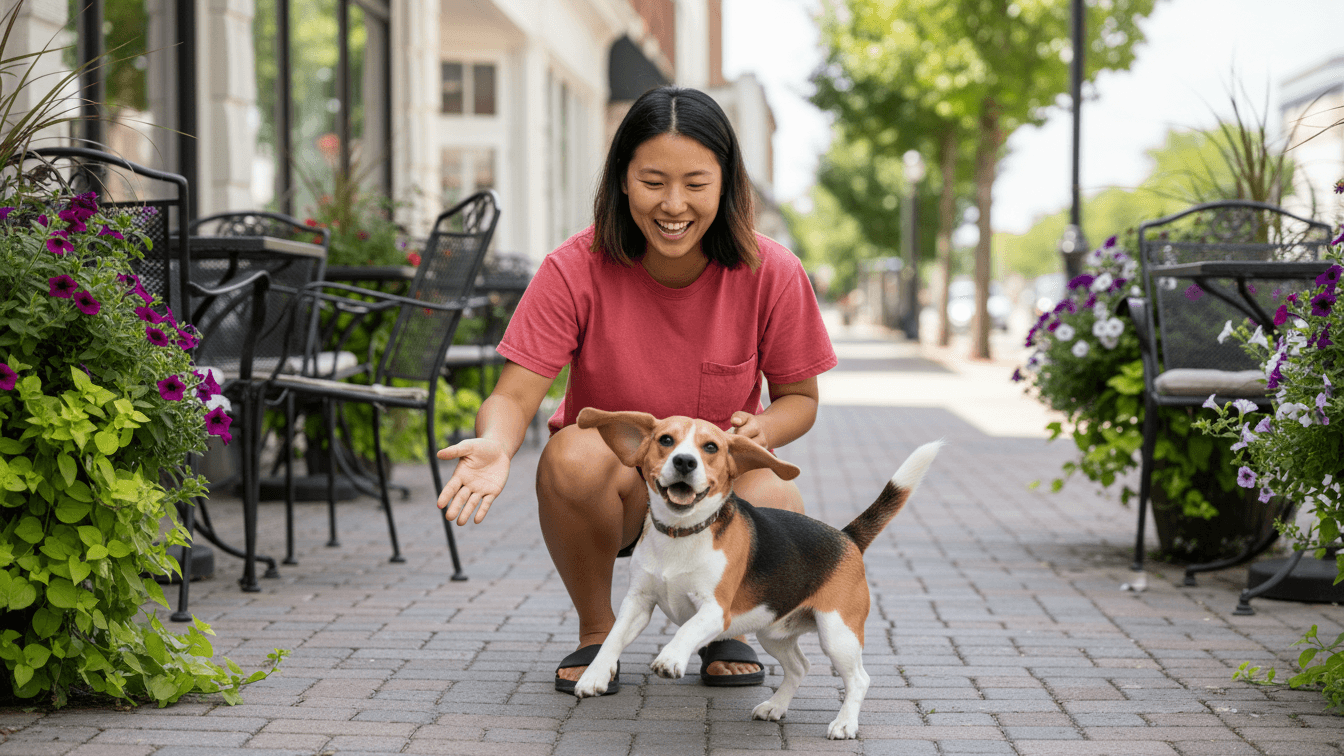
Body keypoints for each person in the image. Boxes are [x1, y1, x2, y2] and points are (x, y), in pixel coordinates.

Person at [434, 85, 837, 694]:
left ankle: (726, 624)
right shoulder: (574, 267)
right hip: (624, 493)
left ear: (726, 183)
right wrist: (495, 445)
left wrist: (766, 429)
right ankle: (598, 631)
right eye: (653, 181)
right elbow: (516, 395)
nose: (674, 204)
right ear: (622, 180)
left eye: (696, 184)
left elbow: (799, 399)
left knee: (778, 497)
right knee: (570, 452)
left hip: (720, 497)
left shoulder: (771, 270)